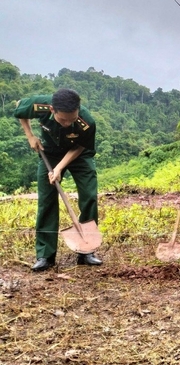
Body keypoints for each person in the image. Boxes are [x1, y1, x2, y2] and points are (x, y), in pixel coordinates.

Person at [14, 88, 102, 272]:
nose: (68, 124)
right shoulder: (40, 105)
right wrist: (30, 136)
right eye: (63, 120)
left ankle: (87, 252)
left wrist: (60, 167)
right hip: (50, 153)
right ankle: (45, 255)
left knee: (89, 195)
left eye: (72, 119)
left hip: (80, 155)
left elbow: (80, 147)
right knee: (47, 200)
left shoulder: (87, 122)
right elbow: (20, 108)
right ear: (52, 110)